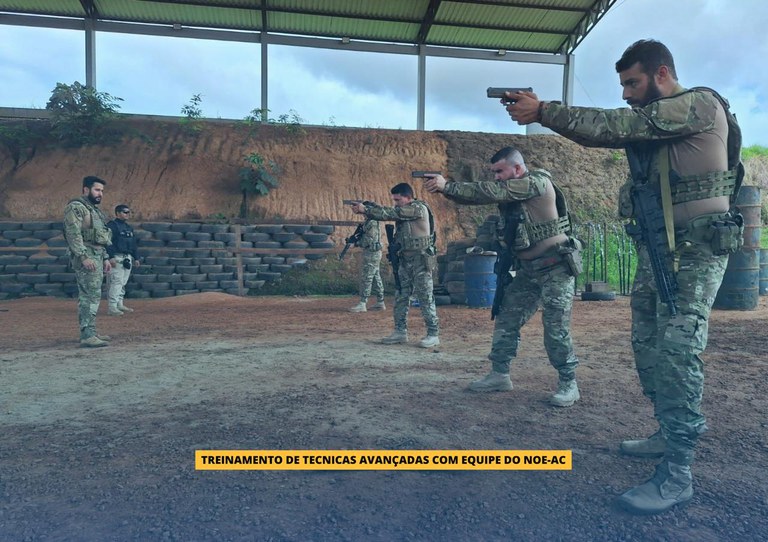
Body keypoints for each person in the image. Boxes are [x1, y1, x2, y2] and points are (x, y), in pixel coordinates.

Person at [506, 39, 743, 514]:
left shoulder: (696, 104)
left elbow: (614, 126)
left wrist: (545, 111)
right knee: (648, 346)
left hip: (696, 251)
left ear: (661, 74)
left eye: (633, 83)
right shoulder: (658, 124)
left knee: (677, 353)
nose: (627, 94)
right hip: (661, 252)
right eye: (624, 85)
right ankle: (666, 432)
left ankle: (678, 475)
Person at [424, 147, 582, 407]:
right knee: (506, 318)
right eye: (494, 172)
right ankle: (499, 374)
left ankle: (569, 383)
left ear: (517, 169)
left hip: (555, 268)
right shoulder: (515, 190)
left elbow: (489, 192)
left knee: (555, 327)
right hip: (528, 270)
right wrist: (446, 190)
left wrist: (448, 186)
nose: (496, 177)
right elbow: (483, 196)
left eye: (500, 171)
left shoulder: (536, 183)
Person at [351, 183, 439, 348]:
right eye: (394, 200)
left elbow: (391, 213)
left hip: (420, 260)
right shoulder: (405, 211)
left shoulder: (417, 208)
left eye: (398, 199)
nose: (396, 202)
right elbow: (389, 211)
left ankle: (433, 334)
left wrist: (366, 210)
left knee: (425, 296)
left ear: (408, 197)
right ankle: (400, 332)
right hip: (405, 260)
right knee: (401, 295)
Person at [63, 176, 113, 347]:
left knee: (95, 295)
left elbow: (100, 236)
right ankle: (87, 335)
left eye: (102, 191)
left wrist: (105, 257)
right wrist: (83, 257)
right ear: (86, 189)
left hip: (97, 255)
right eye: (97, 190)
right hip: (87, 257)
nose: (100, 194)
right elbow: (73, 234)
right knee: (88, 297)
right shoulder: (76, 208)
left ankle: (91, 330)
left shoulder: (94, 210)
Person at [106, 204, 141, 316]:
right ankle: (112, 307)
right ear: (117, 213)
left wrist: (136, 258)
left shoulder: (128, 227)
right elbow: (107, 242)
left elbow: (133, 244)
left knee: (123, 283)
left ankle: (119, 304)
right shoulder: (111, 226)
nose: (127, 214)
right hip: (116, 257)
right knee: (116, 282)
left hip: (127, 257)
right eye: (125, 212)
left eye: (128, 212)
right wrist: (110, 257)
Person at [349, 218, 386, 313]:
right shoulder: (371, 222)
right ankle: (380, 301)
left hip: (371, 253)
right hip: (373, 253)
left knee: (367, 277)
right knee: (375, 277)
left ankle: (363, 303)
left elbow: (369, 240)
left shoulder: (372, 222)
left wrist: (357, 243)